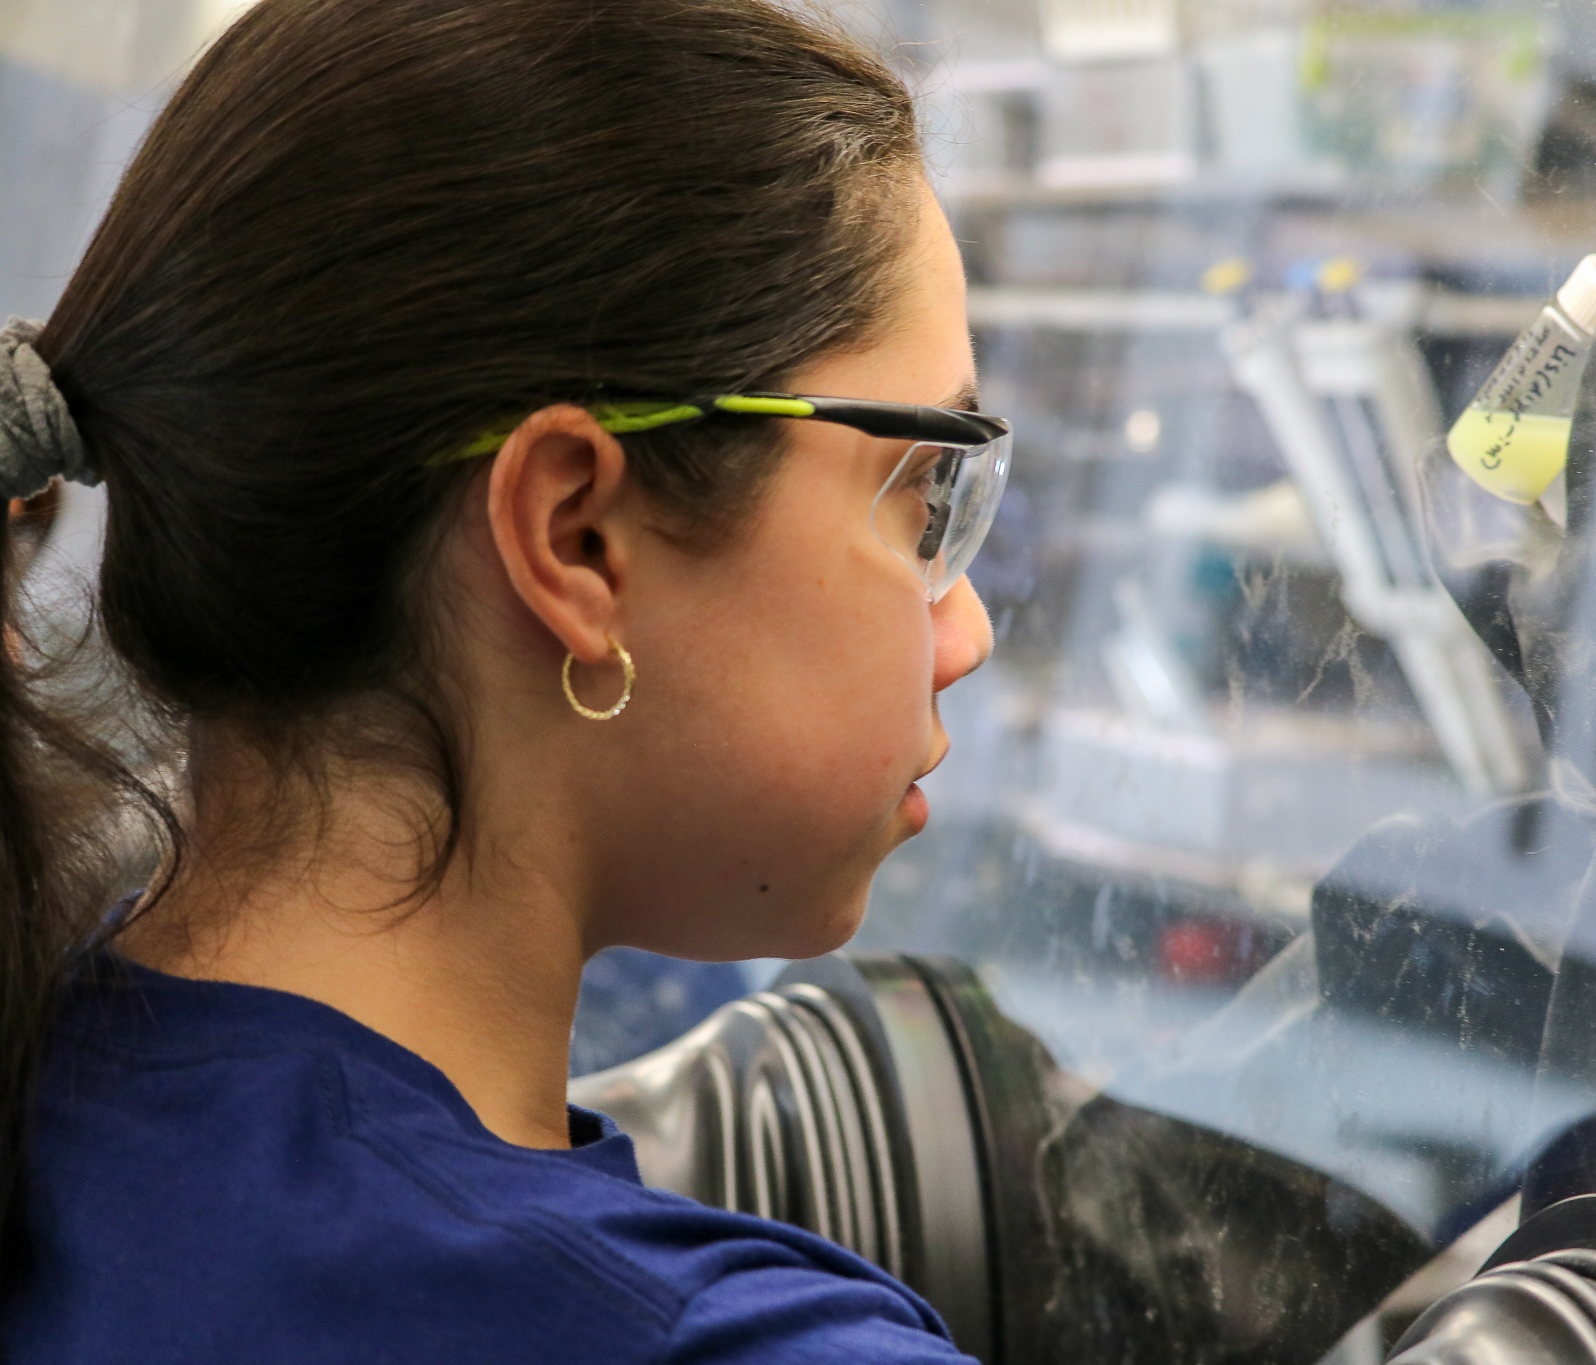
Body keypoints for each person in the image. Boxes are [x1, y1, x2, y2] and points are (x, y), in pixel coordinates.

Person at [0, 0, 1004, 1359]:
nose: (967, 631)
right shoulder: (702, 1340)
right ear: (576, 537)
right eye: (927, 491)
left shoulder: (58, 1083)